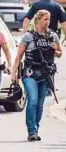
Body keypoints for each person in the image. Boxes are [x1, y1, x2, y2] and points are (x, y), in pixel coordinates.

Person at [13, 9, 62, 141]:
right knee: (33, 101)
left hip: (46, 74)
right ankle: (31, 131)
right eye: (45, 19)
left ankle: (36, 127)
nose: (48, 22)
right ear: (38, 20)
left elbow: (59, 53)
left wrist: (54, 49)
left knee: (40, 104)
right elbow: (19, 56)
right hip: (31, 73)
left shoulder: (53, 36)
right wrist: (14, 73)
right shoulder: (28, 36)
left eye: (49, 19)